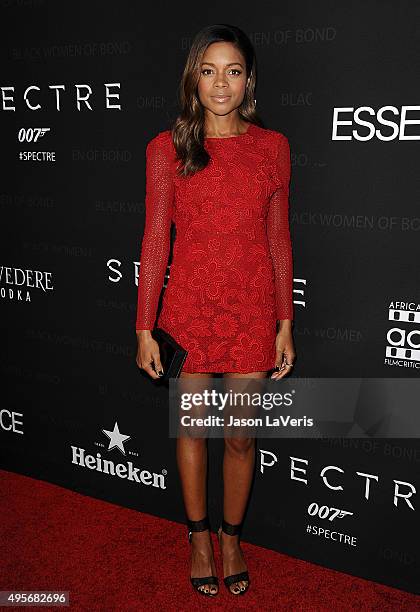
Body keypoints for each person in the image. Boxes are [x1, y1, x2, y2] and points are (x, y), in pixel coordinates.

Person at [135, 23, 296, 597]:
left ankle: (231, 537)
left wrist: (285, 323)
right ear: (193, 80)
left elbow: (279, 242)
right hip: (189, 312)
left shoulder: (272, 147)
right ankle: (198, 537)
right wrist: (143, 327)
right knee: (193, 431)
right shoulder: (166, 148)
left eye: (232, 70)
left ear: (248, 79)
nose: (220, 83)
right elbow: (155, 241)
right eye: (208, 70)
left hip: (252, 311)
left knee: (239, 437)